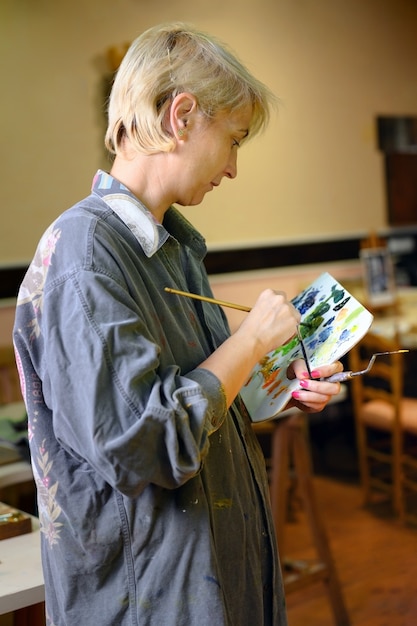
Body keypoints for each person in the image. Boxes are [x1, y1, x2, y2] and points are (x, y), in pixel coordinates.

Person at [13, 22, 344, 626]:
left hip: (211, 575)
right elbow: (142, 446)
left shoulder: (173, 246)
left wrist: (277, 383)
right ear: (182, 115)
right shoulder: (85, 255)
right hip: (149, 599)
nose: (234, 168)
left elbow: (202, 394)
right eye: (235, 140)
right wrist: (248, 341)